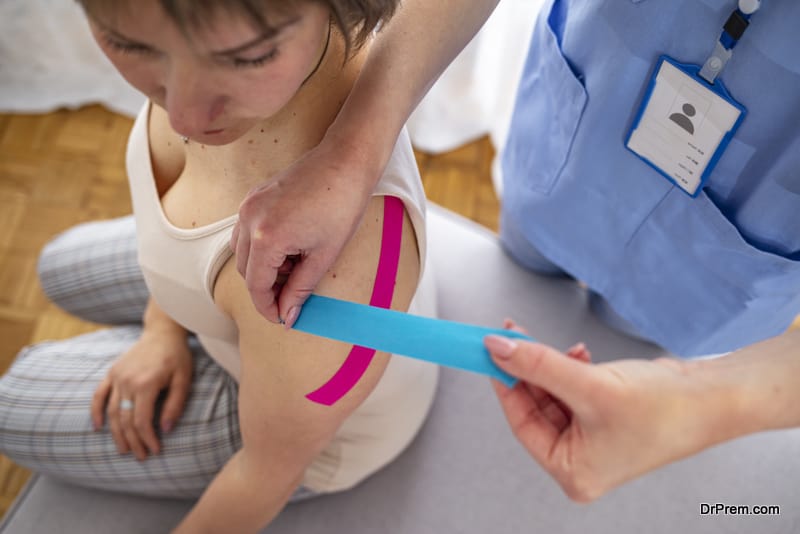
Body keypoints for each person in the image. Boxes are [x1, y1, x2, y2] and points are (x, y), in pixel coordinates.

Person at [228, 0, 800, 500]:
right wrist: (348, 158)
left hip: (739, 253)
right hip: (576, 136)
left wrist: (697, 400)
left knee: (638, 332)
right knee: (527, 258)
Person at [0, 0, 439, 532]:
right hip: (227, 314)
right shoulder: (187, 32)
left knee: (12, 403)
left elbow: (264, 474)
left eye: (248, 58)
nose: (183, 116)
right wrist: (161, 329)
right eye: (132, 44)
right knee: (55, 268)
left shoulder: (340, 271)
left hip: (300, 443)